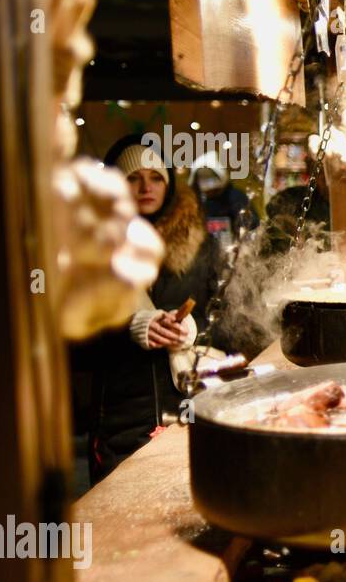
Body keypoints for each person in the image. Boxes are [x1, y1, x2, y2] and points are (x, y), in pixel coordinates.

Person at [75, 135, 232, 483]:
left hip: (193, 410)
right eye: (132, 177)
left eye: (156, 176)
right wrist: (129, 328)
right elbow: (71, 347)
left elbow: (233, 327)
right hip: (120, 421)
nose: (146, 186)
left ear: (169, 183)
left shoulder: (201, 246)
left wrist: (193, 329)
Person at [192, 160, 258, 249]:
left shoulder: (235, 198)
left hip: (236, 249)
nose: (210, 190)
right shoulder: (203, 204)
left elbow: (252, 224)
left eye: (213, 188)